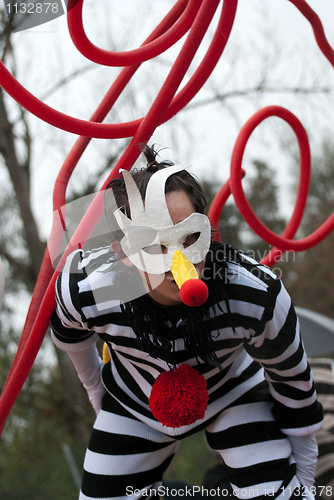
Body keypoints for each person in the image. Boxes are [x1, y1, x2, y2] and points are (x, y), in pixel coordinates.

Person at [50, 144, 323, 500]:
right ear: (124, 254)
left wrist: (305, 473)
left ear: (208, 231)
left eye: (190, 237)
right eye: (155, 245)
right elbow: (70, 336)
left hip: (233, 392)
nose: (179, 260)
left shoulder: (253, 294)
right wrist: (98, 395)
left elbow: (292, 378)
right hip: (135, 401)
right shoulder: (89, 287)